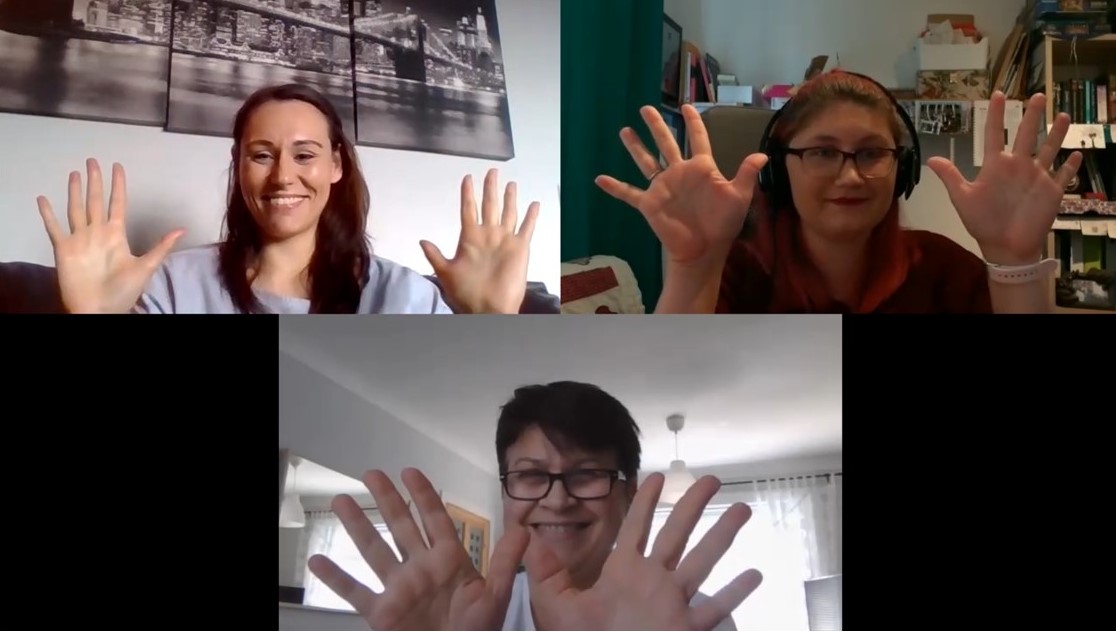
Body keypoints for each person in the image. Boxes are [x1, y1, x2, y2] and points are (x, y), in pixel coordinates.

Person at [595, 70, 1084, 314]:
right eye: (823, 153)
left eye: (871, 153)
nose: (849, 177)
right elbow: (680, 383)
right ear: (780, 171)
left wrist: (1014, 259)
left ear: (903, 169)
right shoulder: (739, 274)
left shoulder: (945, 272)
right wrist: (693, 267)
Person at [33, 83, 540, 314]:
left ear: (337, 165)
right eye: (260, 155)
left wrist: (493, 325)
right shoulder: (169, 286)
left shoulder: (408, 298)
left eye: (304, 155)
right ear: (239, 168)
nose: (282, 177)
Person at [307, 381, 762, 631]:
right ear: (507, 491)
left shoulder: (689, 620)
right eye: (531, 475)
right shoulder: (463, 617)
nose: (558, 499)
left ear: (628, 493)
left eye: (585, 473)